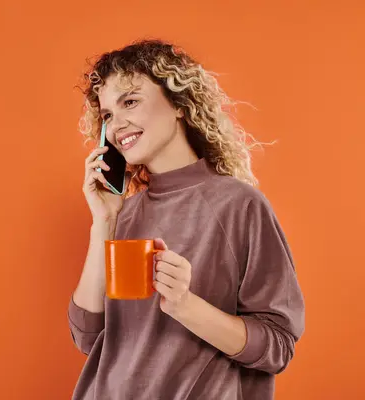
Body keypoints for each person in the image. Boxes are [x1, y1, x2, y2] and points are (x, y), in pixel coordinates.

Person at [67, 38, 305, 400]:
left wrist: (185, 305)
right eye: (108, 115)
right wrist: (103, 223)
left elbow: (276, 346)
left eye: (130, 101)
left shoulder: (239, 205)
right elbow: (88, 337)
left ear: (178, 104)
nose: (117, 125)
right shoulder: (121, 214)